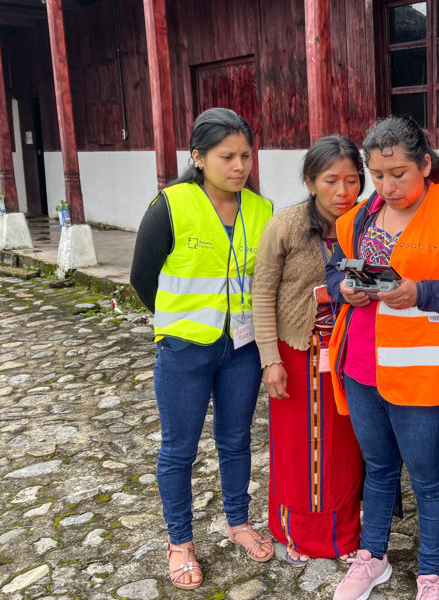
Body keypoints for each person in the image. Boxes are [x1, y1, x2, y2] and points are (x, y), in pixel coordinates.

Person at [326, 116, 439, 600]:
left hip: (425, 372)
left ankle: (433, 574)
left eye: (399, 173)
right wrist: (344, 289)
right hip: (362, 365)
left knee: (428, 478)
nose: (387, 186)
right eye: (378, 175)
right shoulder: (363, 216)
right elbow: (336, 269)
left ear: (425, 165)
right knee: (378, 468)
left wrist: (421, 292)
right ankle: (372, 556)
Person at [130, 107, 275, 590]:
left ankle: (238, 522)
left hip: (242, 350)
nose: (239, 166)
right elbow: (142, 279)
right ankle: (180, 542)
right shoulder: (171, 205)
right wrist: (177, 323)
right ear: (198, 157)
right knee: (179, 449)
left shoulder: (261, 209)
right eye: (226, 157)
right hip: (185, 351)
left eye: (245, 156)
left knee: (236, 440)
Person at [251, 136, 364, 566]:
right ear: (310, 182)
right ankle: (293, 532)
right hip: (296, 354)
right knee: (296, 448)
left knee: (344, 448)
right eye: (331, 180)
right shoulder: (285, 226)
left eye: (352, 180)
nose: (342, 191)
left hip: (349, 352)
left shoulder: (367, 225)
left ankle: (345, 534)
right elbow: (262, 294)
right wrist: (270, 360)